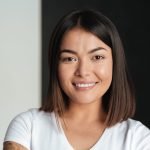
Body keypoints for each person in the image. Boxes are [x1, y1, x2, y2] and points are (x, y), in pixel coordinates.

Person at [3, 8, 150, 150]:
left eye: (97, 57)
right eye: (70, 59)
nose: (83, 71)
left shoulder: (138, 138)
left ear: (115, 62)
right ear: (55, 65)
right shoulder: (27, 127)